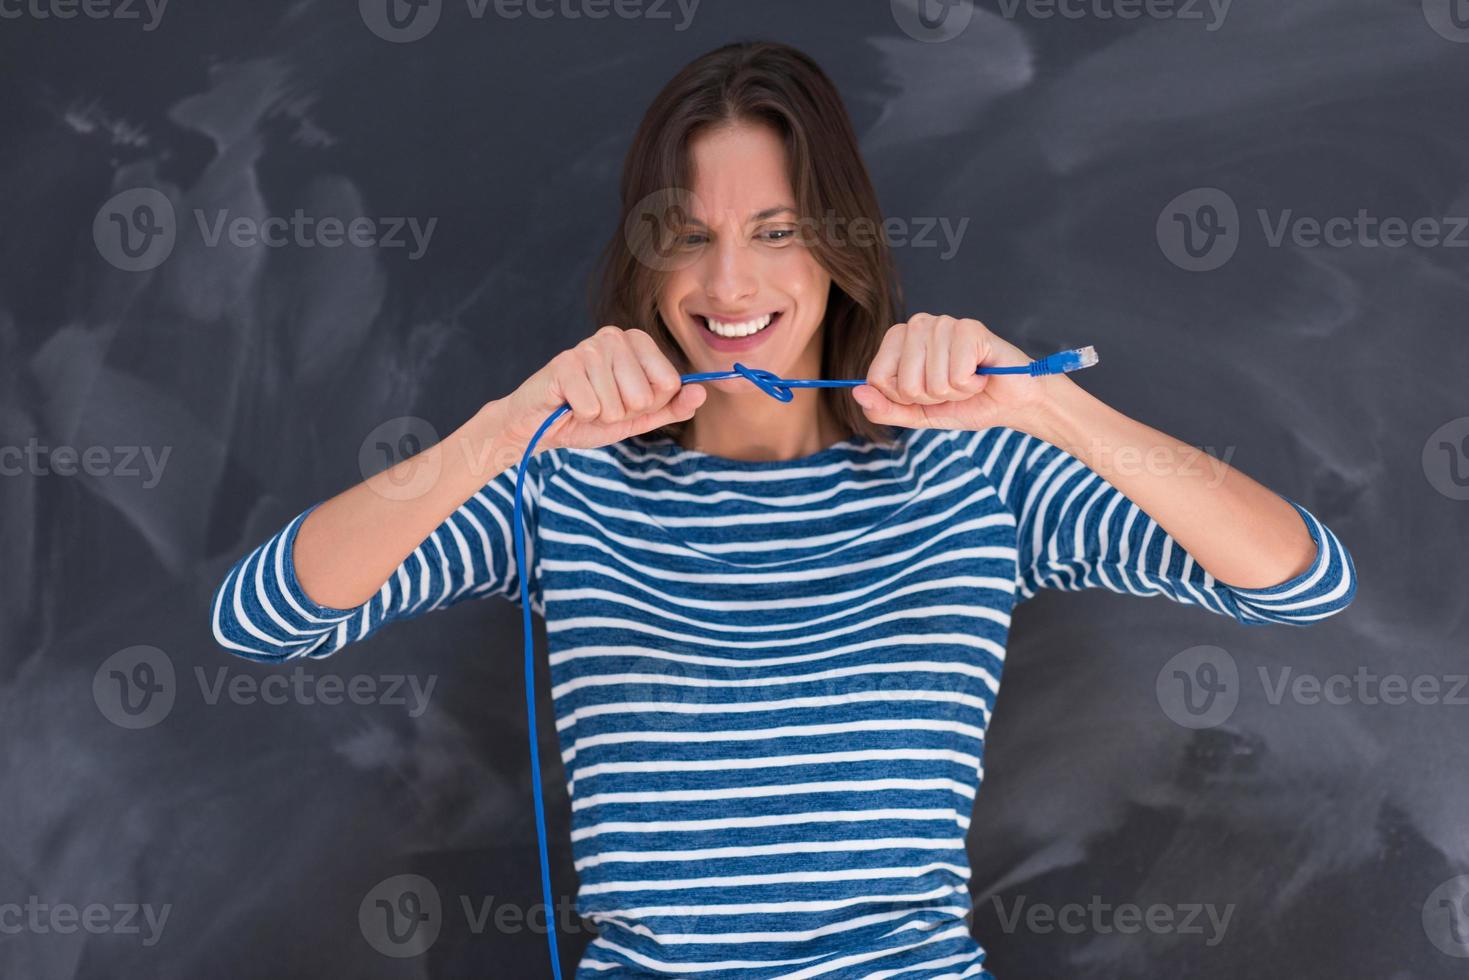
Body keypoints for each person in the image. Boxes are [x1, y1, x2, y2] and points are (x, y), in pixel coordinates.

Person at [209, 40, 1357, 980]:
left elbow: (1299, 579)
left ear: (840, 247)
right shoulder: (561, 482)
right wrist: (501, 429)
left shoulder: (974, 473)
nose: (729, 285)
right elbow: (259, 619)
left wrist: (1054, 410)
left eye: (774, 231)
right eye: (689, 238)